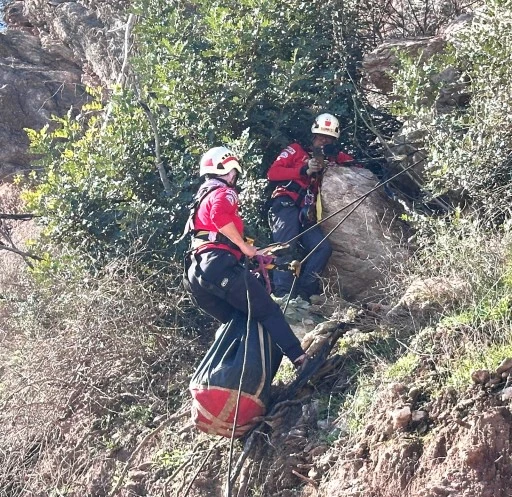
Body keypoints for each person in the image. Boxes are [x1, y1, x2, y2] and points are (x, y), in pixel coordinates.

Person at [183, 146, 307, 367]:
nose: (234, 177)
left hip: (195, 274)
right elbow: (219, 216)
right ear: (230, 171)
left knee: (241, 324)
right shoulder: (224, 192)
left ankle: (245, 380)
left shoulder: (201, 198)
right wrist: (244, 247)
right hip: (218, 264)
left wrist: (249, 251)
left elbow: (213, 233)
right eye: (234, 173)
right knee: (268, 312)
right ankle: (300, 359)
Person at [267, 112, 357, 301]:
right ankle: (283, 296)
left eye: (329, 138)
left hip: (307, 213)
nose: (323, 141)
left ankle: (305, 294)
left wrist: (335, 162)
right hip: (286, 204)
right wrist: (303, 169)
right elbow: (273, 173)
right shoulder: (295, 150)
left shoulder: (332, 157)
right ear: (314, 136)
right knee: (285, 247)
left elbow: (354, 163)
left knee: (322, 248)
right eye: (321, 137)